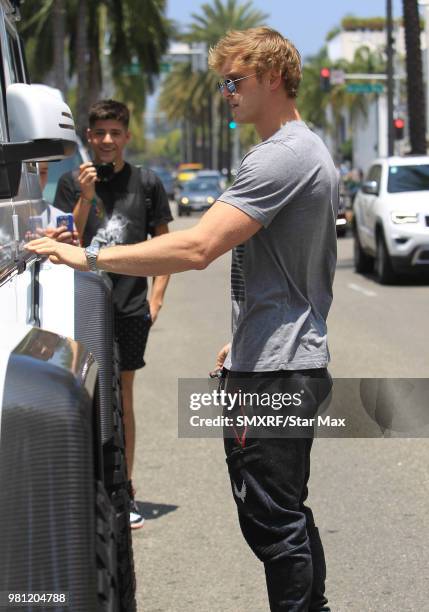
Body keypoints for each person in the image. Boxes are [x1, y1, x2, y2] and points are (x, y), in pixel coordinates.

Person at [27, 27, 338, 610]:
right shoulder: (302, 150)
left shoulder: (283, 156)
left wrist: (86, 254)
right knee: (284, 514)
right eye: (222, 81)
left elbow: (197, 249)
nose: (226, 92)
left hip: (276, 369)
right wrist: (244, 336)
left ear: (273, 77)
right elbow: (297, 273)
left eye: (235, 80)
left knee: (273, 523)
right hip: (281, 356)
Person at [53, 100, 173, 529]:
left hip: (129, 309)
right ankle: (86, 488)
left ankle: (126, 490)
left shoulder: (146, 182)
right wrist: (85, 199)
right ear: (89, 137)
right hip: (81, 306)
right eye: (99, 132)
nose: (107, 140)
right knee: (82, 398)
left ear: (126, 136)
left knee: (123, 399)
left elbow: (165, 245)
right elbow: (66, 238)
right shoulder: (71, 183)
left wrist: (155, 299)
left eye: (114, 133)